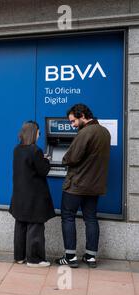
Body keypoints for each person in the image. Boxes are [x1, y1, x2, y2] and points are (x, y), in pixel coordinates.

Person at [55, 104, 111, 268]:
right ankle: (91, 256)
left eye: (73, 121)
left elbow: (71, 158)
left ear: (82, 115)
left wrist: (64, 159)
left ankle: (70, 257)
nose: (72, 125)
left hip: (77, 184)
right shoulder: (104, 132)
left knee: (68, 217)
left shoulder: (85, 132)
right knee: (91, 218)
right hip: (94, 186)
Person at [9, 121, 55, 268]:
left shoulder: (17, 149)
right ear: (33, 133)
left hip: (20, 195)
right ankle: (34, 259)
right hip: (34, 197)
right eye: (39, 132)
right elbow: (43, 171)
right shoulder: (35, 150)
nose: (39, 134)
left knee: (21, 225)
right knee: (35, 227)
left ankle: (19, 257)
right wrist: (46, 161)